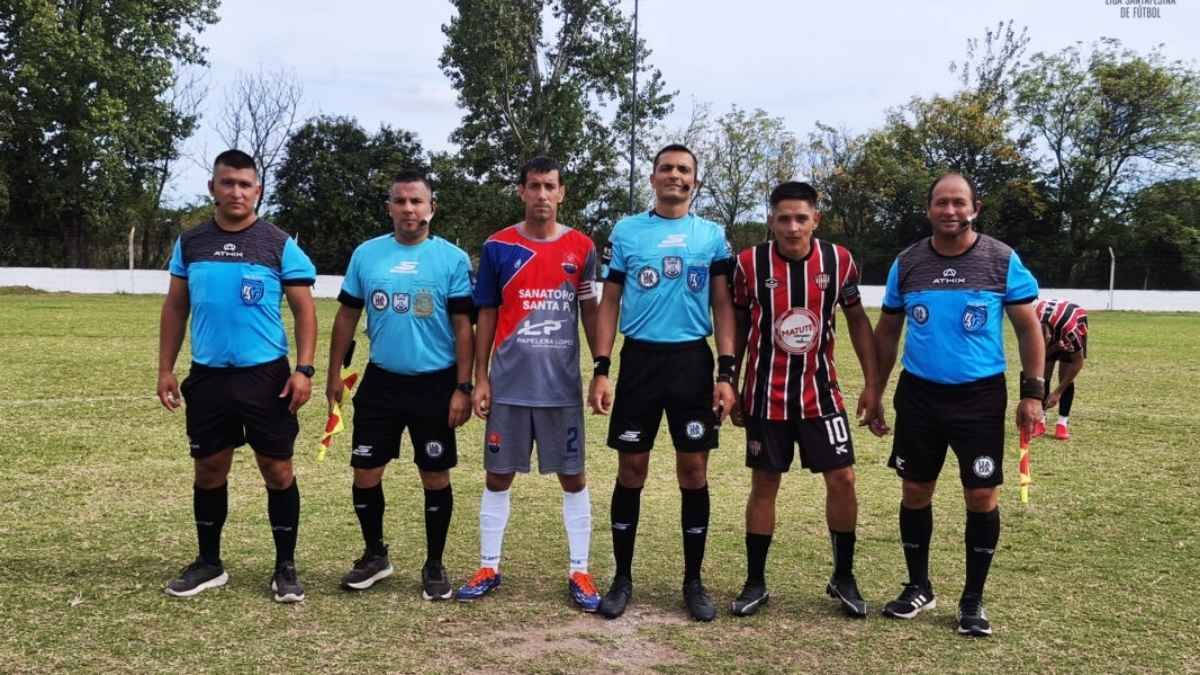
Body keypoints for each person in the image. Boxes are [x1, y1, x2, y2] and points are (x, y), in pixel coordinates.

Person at [873, 172, 1045, 637]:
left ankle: (973, 600)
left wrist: (1033, 393)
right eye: (941, 203)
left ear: (975, 208)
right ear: (929, 209)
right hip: (920, 395)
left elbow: (1030, 329)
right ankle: (919, 586)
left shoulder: (1001, 259)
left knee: (981, 495)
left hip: (980, 397)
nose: (950, 211)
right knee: (914, 492)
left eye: (958, 203)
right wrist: (874, 390)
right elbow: (887, 332)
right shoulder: (907, 263)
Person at [157, 149, 317, 603]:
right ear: (213, 188)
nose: (236, 191)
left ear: (258, 192)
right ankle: (209, 562)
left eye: (245, 184)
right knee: (209, 469)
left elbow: (305, 311)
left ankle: (285, 566)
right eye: (227, 183)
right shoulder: (191, 243)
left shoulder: (278, 243)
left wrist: (304, 370)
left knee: (277, 468)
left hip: (267, 377)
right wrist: (165, 368)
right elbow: (175, 307)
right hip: (208, 377)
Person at [589, 144, 738, 622]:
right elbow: (608, 301)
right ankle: (622, 578)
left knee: (693, 472)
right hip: (640, 362)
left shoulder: (712, 235)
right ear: (652, 177)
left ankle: (693, 582)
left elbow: (723, 306)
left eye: (684, 170)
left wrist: (726, 371)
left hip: (692, 362)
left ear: (695, 180)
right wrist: (602, 367)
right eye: (667, 168)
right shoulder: (627, 231)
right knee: (631, 470)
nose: (675, 176)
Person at [727, 181, 885, 618]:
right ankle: (756, 581)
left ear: (816, 218)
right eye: (784, 218)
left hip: (821, 395)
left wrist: (873, 385)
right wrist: (731, 380)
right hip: (765, 398)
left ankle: (844, 575)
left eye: (801, 218)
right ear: (771, 221)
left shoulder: (839, 261)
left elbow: (857, 322)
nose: (792, 227)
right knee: (764, 485)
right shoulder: (748, 264)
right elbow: (738, 328)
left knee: (844, 480)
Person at [454, 157, 603, 612]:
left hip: (560, 389)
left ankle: (580, 569)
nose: (542, 195)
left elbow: (592, 311)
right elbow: (486, 314)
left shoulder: (582, 247)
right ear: (521, 191)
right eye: (534, 186)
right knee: (498, 476)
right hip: (509, 386)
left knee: (572, 477)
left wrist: (601, 367)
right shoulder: (499, 248)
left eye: (549, 186)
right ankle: (488, 566)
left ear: (562, 193)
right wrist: (481, 379)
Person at [325, 171, 474, 600]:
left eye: (417, 201)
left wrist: (462, 386)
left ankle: (434, 564)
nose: (409, 209)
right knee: (365, 471)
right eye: (400, 201)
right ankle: (375, 555)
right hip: (381, 382)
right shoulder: (367, 255)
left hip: (435, 383)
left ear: (432, 206)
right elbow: (347, 317)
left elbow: (465, 328)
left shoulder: (452, 259)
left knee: (434, 475)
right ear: (389, 206)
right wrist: (334, 372)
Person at [1034, 298, 1088, 440]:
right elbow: (1038, 358)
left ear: (1050, 336)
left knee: (1064, 373)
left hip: (1075, 319)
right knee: (1043, 373)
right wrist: (1052, 348)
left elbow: (1078, 362)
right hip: (1051, 329)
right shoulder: (1031, 324)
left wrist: (1058, 392)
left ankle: (1062, 422)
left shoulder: (1070, 331)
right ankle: (1041, 419)